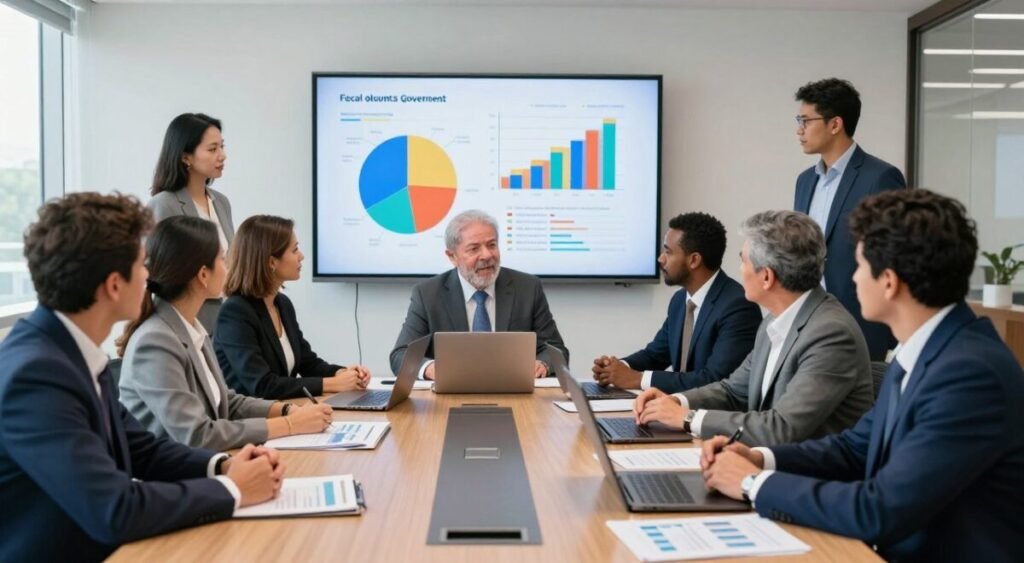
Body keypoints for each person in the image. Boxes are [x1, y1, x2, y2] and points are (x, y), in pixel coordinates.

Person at [701, 189, 1024, 563]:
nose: (853, 278)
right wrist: (759, 458)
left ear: (889, 281)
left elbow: (880, 510)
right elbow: (853, 448)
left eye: (858, 266)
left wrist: (751, 483)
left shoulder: (970, 374)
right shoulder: (924, 350)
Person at [0, 193, 284, 562]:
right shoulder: (36, 375)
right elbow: (115, 510)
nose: (149, 276)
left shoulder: (71, 350)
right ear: (114, 285)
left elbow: (141, 449)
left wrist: (223, 466)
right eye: (141, 265)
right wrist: (233, 489)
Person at [633, 210, 873, 446]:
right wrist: (676, 401)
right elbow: (733, 391)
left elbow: (781, 428)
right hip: (763, 459)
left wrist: (688, 418)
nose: (740, 270)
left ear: (766, 277)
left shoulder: (830, 333)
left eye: (743, 261)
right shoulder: (773, 321)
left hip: (807, 468)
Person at [117, 216, 334, 451]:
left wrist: (287, 410)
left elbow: (226, 402)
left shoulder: (191, 328)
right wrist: (290, 424)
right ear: (203, 275)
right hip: (172, 470)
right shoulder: (155, 341)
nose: (229, 266)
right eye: (222, 259)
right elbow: (197, 435)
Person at [792, 78, 907, 361]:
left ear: (835, 124)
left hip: (862, 325)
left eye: (806, 121)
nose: (799, 129)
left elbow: (894, 255)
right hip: (810, 322)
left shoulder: (880, 177)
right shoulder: (805, 181)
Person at [592, 212, 761, 393]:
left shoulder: (738, 306)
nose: (661, 259)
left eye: (668, 252)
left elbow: (714, 379)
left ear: (694, 260)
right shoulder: (680, 300)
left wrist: (638, 379)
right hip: (675, 406)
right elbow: (656, 355)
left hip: (708, 410)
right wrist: (616, 368)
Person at [390, 209, 568, 379]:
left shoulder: (527, 288)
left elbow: (556, 350)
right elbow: (400, 355)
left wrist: (543, 364)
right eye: (474, 249)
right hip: (452, 392)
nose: (487, 255)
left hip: (514, 391)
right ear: (452, 256)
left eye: (492, 245)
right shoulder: (428, 294)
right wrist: (431, 368)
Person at [215, 215, 370, 399]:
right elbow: (263, 385)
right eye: (295, 250)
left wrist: (343, 373)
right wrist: (332, 384)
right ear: (272, 262)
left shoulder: (282, 304)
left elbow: (307, 363)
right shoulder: (235, 313)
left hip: (287, 409)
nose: (301, 256)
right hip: (251, 415)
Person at [147, 112, 234, 333]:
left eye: (222, 147)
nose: (222, 156)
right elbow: (159, 274)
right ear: (186, 157)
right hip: (186, 322)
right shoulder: (163, 204)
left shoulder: (221, 202)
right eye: (212, 149)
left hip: (225, 320)